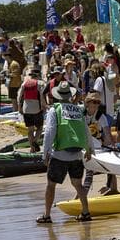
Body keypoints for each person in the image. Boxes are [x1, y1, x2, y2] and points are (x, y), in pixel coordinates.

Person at [37, 82, 91, 224]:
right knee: (78, 184)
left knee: (51, 184)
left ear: (57, 96)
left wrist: (45, 153)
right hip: (77, 154)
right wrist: (89, 149)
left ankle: (47, 215)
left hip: (60, 154)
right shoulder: (79, 110)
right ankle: (85, 212)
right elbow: (86, 130)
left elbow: (49, 132)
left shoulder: (55, 110)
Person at [82, 91, 118, 195]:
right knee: (88, 171)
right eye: (92, 102)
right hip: (85, 146)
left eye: (97, 102)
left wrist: (110, 146)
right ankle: (82, 195)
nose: (95, 104)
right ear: (87, 103)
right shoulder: (82, 115)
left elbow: (107, 133)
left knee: (109, 166)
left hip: (99, 146)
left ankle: (113, 189)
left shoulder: (101, 117)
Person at [17, 68, 47, 151]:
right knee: (40, 128)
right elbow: (42, 96)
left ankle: (32, 148)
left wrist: (19, 107)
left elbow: (20, 97)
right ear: (38, 76)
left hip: (26, 109)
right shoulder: (40, 83)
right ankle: (34, 141)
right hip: (36, 109)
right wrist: (44, 106)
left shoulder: (24, 83)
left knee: (30, 130)